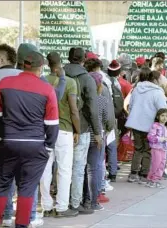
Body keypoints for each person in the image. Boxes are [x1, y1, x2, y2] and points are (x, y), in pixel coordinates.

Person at [0, 51, 59, 228]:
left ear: (21, 64)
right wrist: (48, 148)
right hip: (35, 145)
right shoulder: (47, 89)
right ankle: (21, 225)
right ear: (41, 67)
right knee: (27, 188)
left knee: (1, 185)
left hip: (8, 142)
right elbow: (52, 124)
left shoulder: (4, 84)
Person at [40, 52, 80, 218]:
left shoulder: (41, 81)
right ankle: (62, 207)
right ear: (61, 63)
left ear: (47, 64)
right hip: (64, 130)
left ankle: (46, 206)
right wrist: (77, 130)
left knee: (44, 168)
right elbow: (73, 110)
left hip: (44, 130)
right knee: (64, 169)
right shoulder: (70, 82)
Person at [64, 47, 101, 214]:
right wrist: (98, 133)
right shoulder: (87, 79)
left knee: (61, 168)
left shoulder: (58, 75)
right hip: (83, 127)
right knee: (78, 168)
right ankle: (75, 203)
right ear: (83, 59)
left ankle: (60, 203)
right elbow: (92, 108)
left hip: (59, 127)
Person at [125, 67, 167, 184]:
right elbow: (163, 110)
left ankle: (133, 173)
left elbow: (131, 106)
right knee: (148, 150)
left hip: (136, 123)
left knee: (138, 149)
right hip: (151, 125)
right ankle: (144, 174)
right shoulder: (157, 92)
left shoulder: (136, 89)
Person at [85, 71, 113, 211]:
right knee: (94, 169)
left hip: (83, 136)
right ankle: (94, 201)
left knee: (81, 170)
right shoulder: (102, 100)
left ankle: (84, 199)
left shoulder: (83, 98)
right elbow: (108, 120)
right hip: (97, 138)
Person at [147, 109, 167, 188]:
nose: (164, 118)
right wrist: (161, 139)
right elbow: (150, 137)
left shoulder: (165, 127)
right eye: (162, 116)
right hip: (156, 148)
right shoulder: (155, 125)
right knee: (156, 164)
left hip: (164, 149)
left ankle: (155, 178)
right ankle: (153, 179)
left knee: (162, 164)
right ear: (158, 116)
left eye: (166, 116)